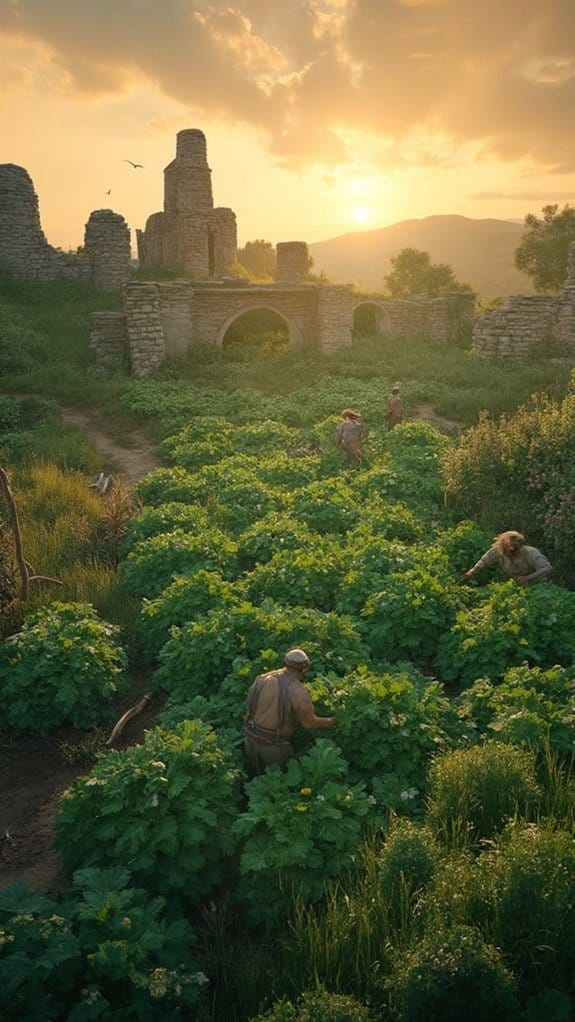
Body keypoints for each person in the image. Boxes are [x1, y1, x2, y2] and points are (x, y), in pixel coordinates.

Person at [243, 648, 335, 775]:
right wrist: (331, 722)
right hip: (274, 748)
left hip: (250, 740)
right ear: (305, 668)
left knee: (256, 781)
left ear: (285, 662)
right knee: (280, 786)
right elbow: (309, 723)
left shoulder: (262, 679)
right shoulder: (298, 690)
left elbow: (248, 708)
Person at [464, 530, 553, 585]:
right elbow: (485, 560)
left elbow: (547, 568)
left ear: (520, 546)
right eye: (508, 547)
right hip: (518, 585)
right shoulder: (498, 550)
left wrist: (528, 578)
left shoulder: (531, 553)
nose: (511, 549)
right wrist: (474, 570)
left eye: (514, 547)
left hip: (538, 585)